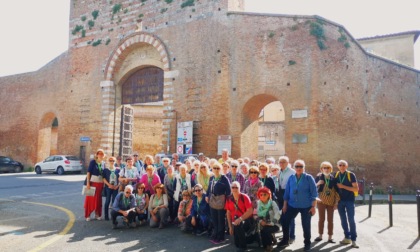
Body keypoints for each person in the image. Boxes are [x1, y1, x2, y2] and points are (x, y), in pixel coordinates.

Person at [278, 160, 318, 251]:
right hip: (292, 205)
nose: (299, 168)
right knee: (285, 220)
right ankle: (285, 240)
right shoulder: (291, 177)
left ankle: (307, 243)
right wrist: (285, 205)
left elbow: (314, 193)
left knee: (306, 225)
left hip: (306, 206)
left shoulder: (309, 178)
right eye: (297, 166)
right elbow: (287, 193)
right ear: (294, 167)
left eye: (301, 166)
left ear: (304, 168)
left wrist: (313, 207)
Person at [314, 161, 340, 243]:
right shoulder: (318, 177)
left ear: (331, 169)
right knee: (321, 219)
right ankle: (320, 235)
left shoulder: (334, 179)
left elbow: (337, 192)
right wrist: (318, 183)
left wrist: (336, 203)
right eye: (324, 167)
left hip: (331, 202)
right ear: (321, 169)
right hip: (321, 201)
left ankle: (330, 237)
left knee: (330, 220)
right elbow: (312, 189)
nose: (326, 169)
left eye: (328, 167)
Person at [335, 160, 359, 248]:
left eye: (343, 165)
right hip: (340, 201)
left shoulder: (351, 175)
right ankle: (347, 237)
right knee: (343, 220)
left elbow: (356, 189)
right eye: (340, 165)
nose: (342, 166)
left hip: (349, 200)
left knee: (351, 220)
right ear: (337, 166)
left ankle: (354, 240)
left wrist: (343, 186)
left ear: (347, 166)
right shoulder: (336, 175)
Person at [206, 162, 231, 244]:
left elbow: (228, 191)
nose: (216, 170)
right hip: (212, 200)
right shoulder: (212, 178)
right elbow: (209, 188)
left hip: (221, 201)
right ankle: (215, 234)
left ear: (220, 169)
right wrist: (207, 195)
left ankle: (221, 237)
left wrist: (227, 202)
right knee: (214, 219)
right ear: (212, 169)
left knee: (220, 220)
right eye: (214, 168)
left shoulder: (224, 178)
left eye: (218, 168)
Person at [225, 181, 253, 252]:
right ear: (230, 188)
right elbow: (228, 213)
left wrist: (240, 219)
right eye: (233, 187)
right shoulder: (229, 198)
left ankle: (244, 247)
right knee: (237, 243)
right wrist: (230, 227)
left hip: (247, 220)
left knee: (238, 224)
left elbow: (250, 211)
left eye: (236, 187)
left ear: (240, 188)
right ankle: (254, 238)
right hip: (235, 221)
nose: (234, 189)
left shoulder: (244, 197)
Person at [278, 156, 296, 243]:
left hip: (289, 194)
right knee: (284, 217)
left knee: (290, 216)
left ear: (288, 163)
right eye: (280, 162)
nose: (281, 163)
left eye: (284, 162)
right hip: (281, 193)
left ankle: (292, 236)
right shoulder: (280, 171)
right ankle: (286, 235)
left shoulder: (292, 172)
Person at [256, 187, 281, 252]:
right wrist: (261, 221)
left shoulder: (272, 203)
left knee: (266, 230)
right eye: (261, 195)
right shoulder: (258, 204)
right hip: (263, 225)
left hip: (274, 224)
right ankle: (272, 239)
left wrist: (272, 223)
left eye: (265, 194)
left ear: (268, 195)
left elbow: (277, 213)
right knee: (264, 242)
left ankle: (270, 246)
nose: (263, 196)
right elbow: (255, 215)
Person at [84, 149, 106, 221]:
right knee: (90, 199)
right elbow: (88, 172)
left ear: (103, 155)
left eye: (102, 154)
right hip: (92, 183)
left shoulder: (103, 163)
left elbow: (104, 174)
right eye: (99, 153)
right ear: (96, 155)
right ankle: (88, 215)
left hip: (100, 184)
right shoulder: (93, 162)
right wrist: (88, 183)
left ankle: (97, 214)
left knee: (98, 200)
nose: (100, 155)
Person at [103, 156, 120, 221]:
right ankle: (106, 216)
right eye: (110, 160)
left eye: (113, 160)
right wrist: (109, 185)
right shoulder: (106, 170)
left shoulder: (118, 170)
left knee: (114, 202)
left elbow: (119, 178)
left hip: (115, 187)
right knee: (107, 201)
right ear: (108, 161)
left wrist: (117, 186)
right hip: (108, 187)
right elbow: (104, 179)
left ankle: (113, 216)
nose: (112, 162)